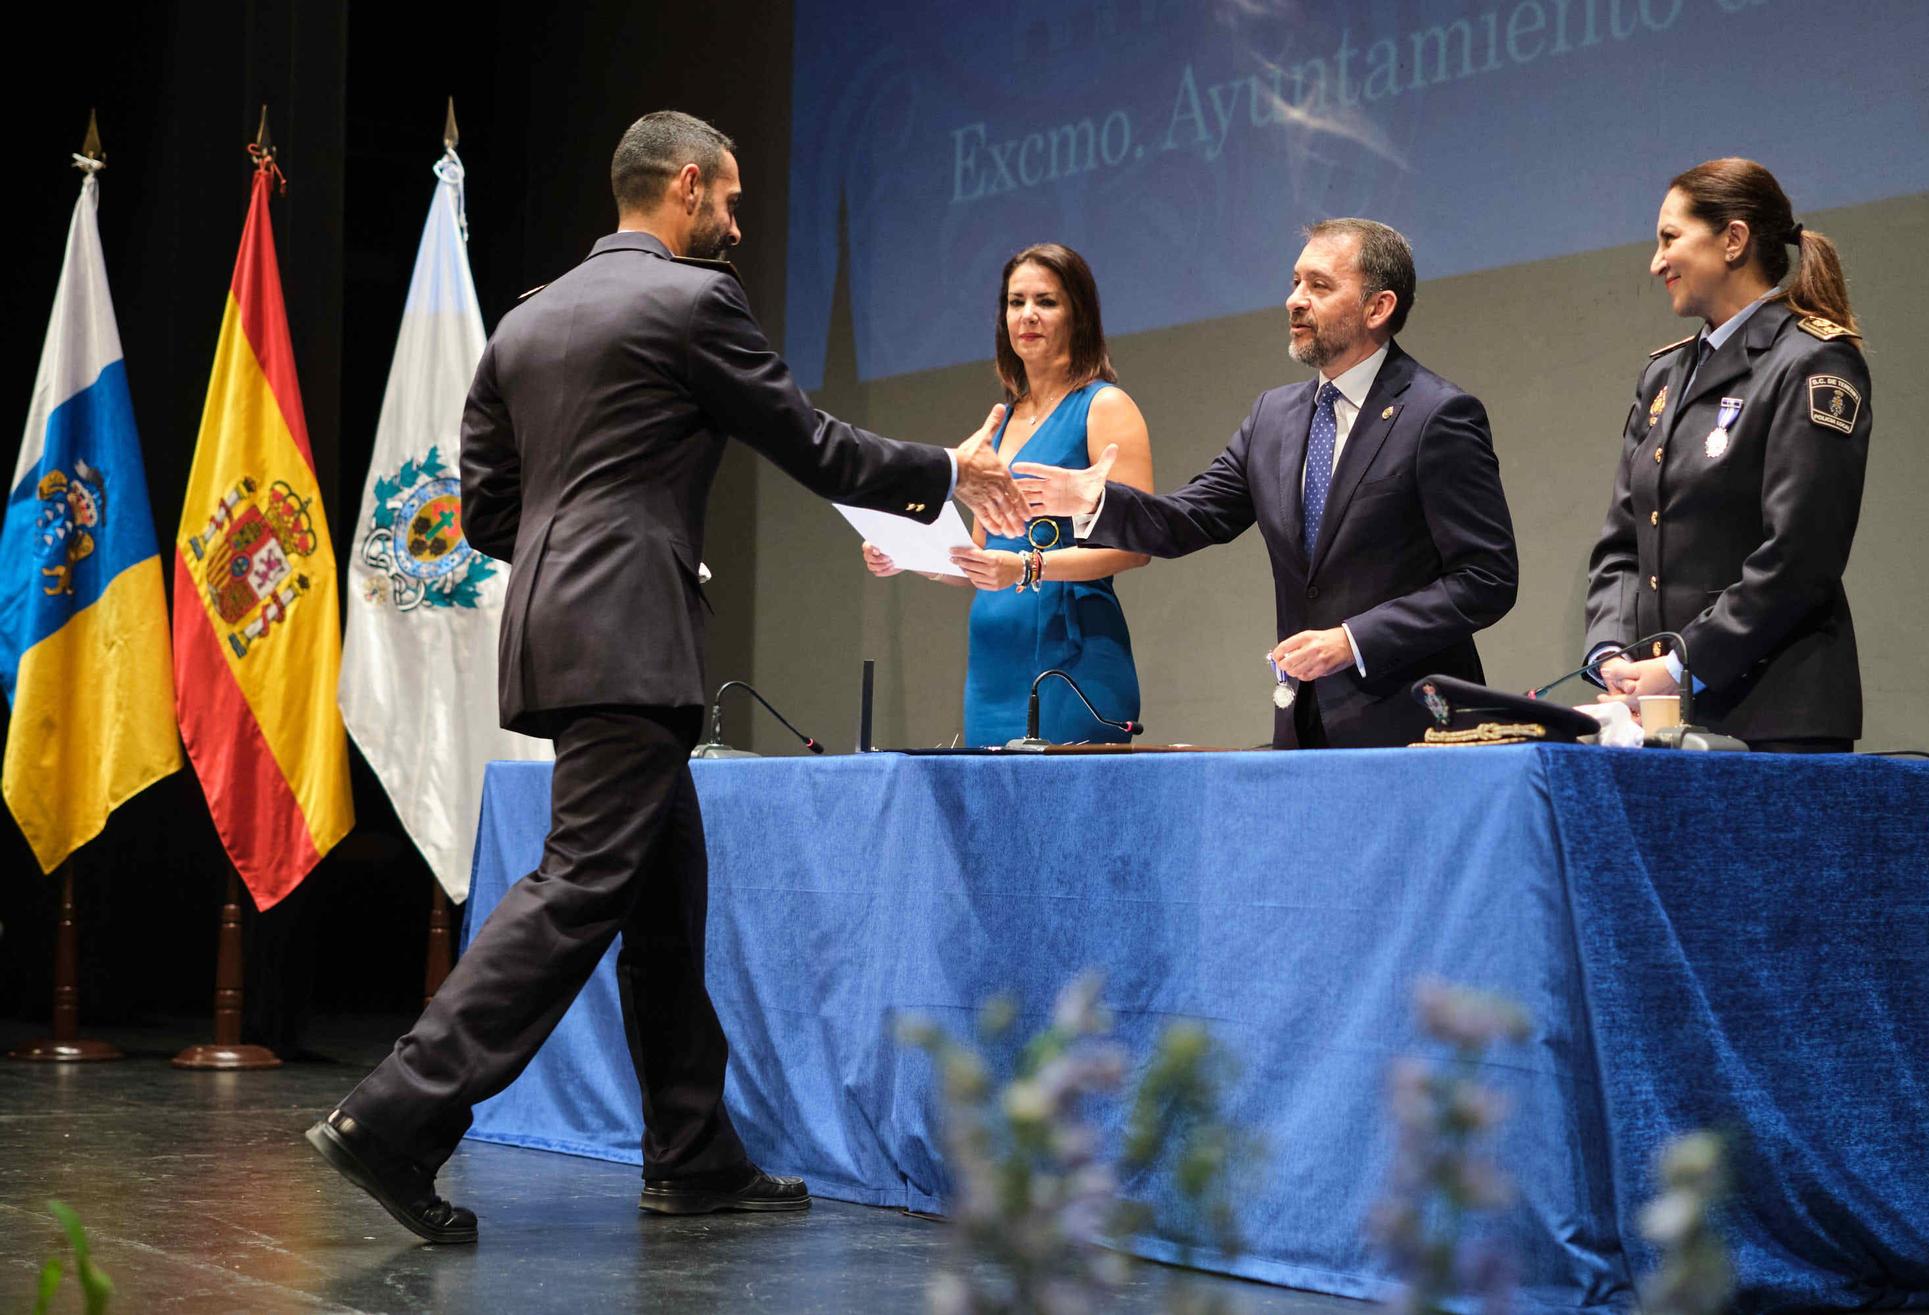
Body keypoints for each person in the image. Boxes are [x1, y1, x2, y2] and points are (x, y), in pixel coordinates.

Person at [304, 110, 1029, 1244]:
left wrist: (585, 546)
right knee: (584, 879)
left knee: (661, 885)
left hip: (554, 626)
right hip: (629, 632)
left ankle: (691, 1153)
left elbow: (491, 507)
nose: (737, 222)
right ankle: (395, 1112)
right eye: (732, 200)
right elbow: (813, 443)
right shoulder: (693, 302)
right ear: (685, 187)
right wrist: (949, 467)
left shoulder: (526, 319)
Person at [1015, 219, 1517, 749]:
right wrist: (1095, 501)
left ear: (1378, 308)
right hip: (1303, 727)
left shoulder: (1436, 415)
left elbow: (1486, 578)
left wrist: (1353, 640)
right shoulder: (1273, 416)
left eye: (1319, 286)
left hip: (1412, 727)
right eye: (1296, 282)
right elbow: (1191, 519)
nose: (1294, 301)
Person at [1583, 158, 1870, 753]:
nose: (1656, 262)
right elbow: (1622, 543)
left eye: (1670, 239)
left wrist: (1683, 663)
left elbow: (1800, 555)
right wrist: (1611, 652)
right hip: (1663, 717)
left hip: (1775, 716)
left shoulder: (1810, 360)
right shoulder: (1663, 374)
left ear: (1733, 240)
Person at [861, 243, 1153, 745]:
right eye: (1016, 303)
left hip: (1071, 658)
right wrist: (910, 556)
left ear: (1078, 314)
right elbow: (985, 556)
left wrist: (1028, 567)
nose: (1028, 315)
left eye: (1046, 301)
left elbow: (1137, 545)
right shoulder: (1002, 420)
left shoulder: (1104, 406)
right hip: (995, 660)